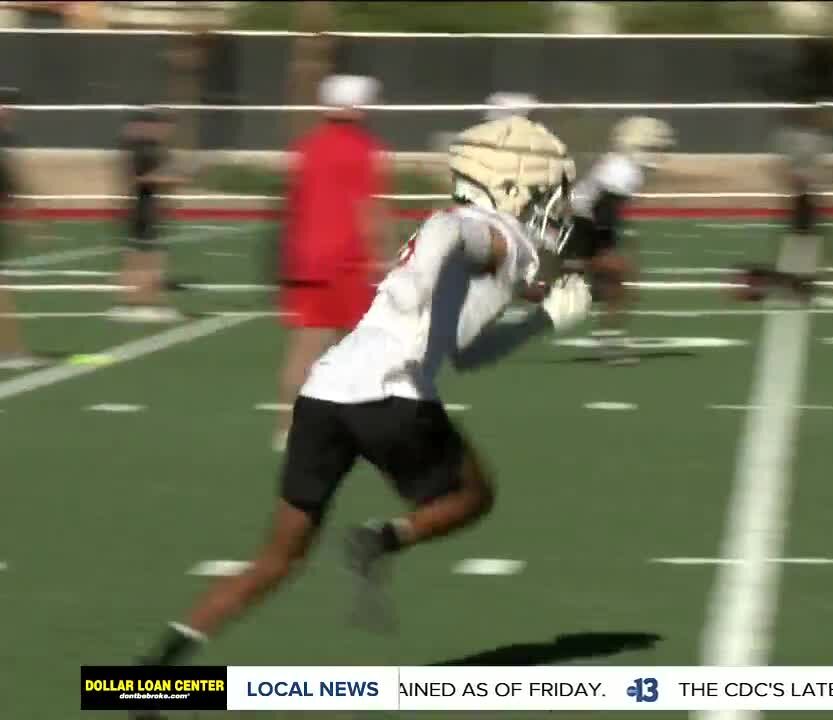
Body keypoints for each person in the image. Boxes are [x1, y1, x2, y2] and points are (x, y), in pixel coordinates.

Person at [135, 114, 592, 668]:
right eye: (544, 192)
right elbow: (458, 250)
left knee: (277, 559)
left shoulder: (489, 242)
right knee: (473, 495)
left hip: (325, 390)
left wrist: (540, 309)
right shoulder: (497, 236)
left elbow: (472, 320)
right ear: (509, 186)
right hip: (391, 393)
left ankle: (157, 668)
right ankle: (382, 539)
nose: (552, 206)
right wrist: (533, 313)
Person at [274, 75, 391, 451]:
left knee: (304, 349)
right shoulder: (365, 149)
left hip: (306, 262)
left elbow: (294, 204)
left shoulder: (305, 147)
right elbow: (368, 207)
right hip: (348, 261)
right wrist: (383, 256)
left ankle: (286, 428)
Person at [563, 116, 674, 364]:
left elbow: (604, 210)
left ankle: (608, 338)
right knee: (621, 282)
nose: (658, 153)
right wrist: (605, 251)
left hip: (586, 223)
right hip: (584, 225)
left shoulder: (623, 166)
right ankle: (609, 342)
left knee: (616, 283)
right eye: (653, 147)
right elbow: (602, 212)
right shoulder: (623, 171)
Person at [735, 106, 833, 304]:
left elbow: (787, 167)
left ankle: (795, 283)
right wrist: (797, 185)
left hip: (805, 196)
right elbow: (786, 168)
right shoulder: (801, 139)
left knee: (804, 240)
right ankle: (779, 283)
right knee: (802, 241)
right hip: (802, 196)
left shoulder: (805, 138)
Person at [109, 107, 184, 323]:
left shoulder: (155, 150)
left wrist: (169, 197)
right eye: (165, 127)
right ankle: (139, 303)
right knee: (144, 258)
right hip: (141, 208)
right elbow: (140, 179)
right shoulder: (144, 150)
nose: (168, 131)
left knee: (147, 257)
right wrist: (168, 179)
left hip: (148, 208)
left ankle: (141, 302)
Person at [0, 86, 47, 370]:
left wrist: (25, 213)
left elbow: (13, 184)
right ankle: (9, 351)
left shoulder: (7, 139)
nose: (8, 110)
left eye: (9, 105)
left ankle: (10, 350)